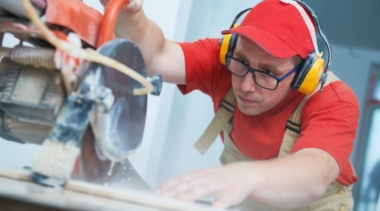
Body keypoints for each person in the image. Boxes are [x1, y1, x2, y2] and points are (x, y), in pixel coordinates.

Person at [100, 0, 360, 210]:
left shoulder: (333, 99)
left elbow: (314, 175)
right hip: (249, 198)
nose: (246, 85)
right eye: (242, 62)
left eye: (267, 72)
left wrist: (241, 177)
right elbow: (158, 56)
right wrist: (132, 15)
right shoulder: (226, 60)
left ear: (305, 74)